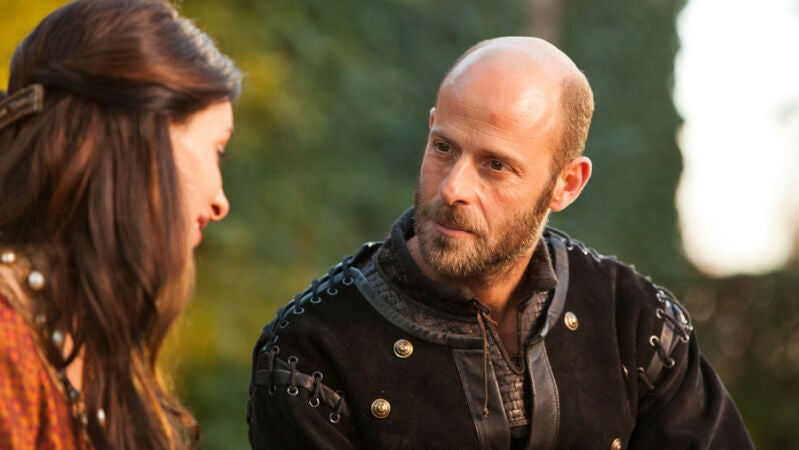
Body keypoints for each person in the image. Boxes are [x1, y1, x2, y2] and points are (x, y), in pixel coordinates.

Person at [247, 37, 753, 449]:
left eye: (496, 165)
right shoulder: (309, 354)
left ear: (566, 184)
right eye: (444, 148)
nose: (453, 188)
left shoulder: (637, 323)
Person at [0, 0, 241, 448]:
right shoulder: (6, 345)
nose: (220, 201)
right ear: (146, 142)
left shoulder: (86, 346)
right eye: (217, 149)